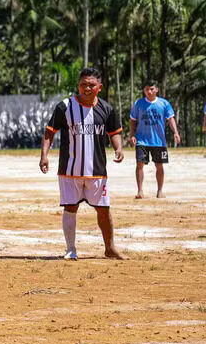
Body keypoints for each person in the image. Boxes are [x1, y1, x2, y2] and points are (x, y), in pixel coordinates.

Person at [40, 67, 125, 260]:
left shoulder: (107, 109)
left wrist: (118, 148)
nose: (87, 88)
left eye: (91, 85)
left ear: (99, 87)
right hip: (70, 170)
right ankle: (70, 250)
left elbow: (114, 133)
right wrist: (44, 155)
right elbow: (49, 132)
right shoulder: (65, 107)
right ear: (78, 85)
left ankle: (110, 248)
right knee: (70, 208)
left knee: (104, 209)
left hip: (97, 171)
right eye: (83, 84)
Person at [128, 81, 180, 199]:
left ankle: (160, 191)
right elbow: (132, 120)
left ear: (156, 90)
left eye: (151, 89)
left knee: (159, 165)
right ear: (144, 91)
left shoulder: (164, 104)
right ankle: (140, 191)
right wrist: (132, 135)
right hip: (142, 140)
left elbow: (170, 119)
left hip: (159, 141)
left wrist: (176, 133)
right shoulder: (138, 104)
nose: (149, 91)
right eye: (147, 89)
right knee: (139, 164)